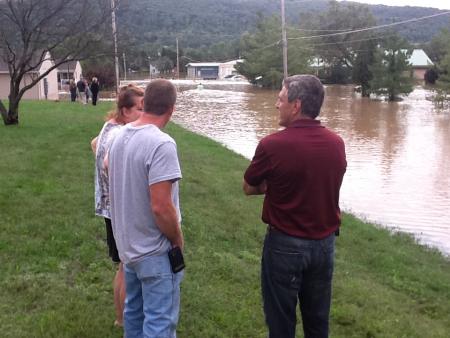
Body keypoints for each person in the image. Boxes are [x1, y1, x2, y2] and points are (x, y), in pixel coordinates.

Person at [243, 75, 347, 338]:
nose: (276, 105)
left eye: (280, 99)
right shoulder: (337, 143)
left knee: (281, 322)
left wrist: (270, 185)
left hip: (285, 246)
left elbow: (248, 186)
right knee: (317, 321)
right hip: (324, 246)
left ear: (296, 105)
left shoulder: (272, 145)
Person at [108, 79, 184, 337]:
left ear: (145, 103)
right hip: (155, 251)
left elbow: (110, 167)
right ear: (171, 109)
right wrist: (177, 240)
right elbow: (161, 207)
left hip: (129, 248)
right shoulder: (162, 144)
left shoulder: (118, 137)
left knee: (134, 317)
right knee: (159, 324)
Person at [91, 84, 144, 328]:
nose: (144, 115)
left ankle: (123, 317)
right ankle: (122, 319)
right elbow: (107, 161)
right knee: (125, 266)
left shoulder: (110, 127)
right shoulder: (118, 135)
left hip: (108, 207)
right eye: (140, 109)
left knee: (124, 264)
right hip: (117, 210)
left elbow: (94, 143)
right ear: (125, 110)